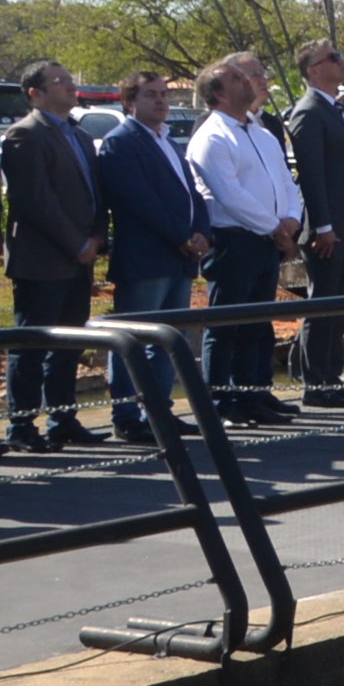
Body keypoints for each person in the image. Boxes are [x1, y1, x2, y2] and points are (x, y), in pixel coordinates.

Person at [184, 54, 302, 426]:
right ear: (218, 94)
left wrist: (292, 219)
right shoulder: (212, 137)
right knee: (226, 325)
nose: (247, 81)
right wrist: (275, 228)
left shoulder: (262, 133)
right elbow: (229, 195)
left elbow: (286, 181)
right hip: (234, 241)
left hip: (267, 239)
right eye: (236, 78)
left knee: (257, 323)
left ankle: (254, 394)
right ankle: (221, 401)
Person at [97, 69, 210, 444]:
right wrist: (181, 236)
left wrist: (202, 231)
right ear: (129, 102)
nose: (162, 100)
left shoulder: (168, 141)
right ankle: (127, 417)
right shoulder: (120, 143)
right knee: (132, 340)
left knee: (168, 341)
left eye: (164, 94)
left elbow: (192, 192)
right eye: (151, 94)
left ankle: (160, 413)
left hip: (180, 258)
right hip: (146, 259)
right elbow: (138, 200)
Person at [2, 59, 111, 449]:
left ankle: (63, 421)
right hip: (43, 261)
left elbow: (96, 194)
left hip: (80, 260)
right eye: (59, 81)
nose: (69, 85)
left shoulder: (79, 135)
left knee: (68, 347)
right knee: (31, 347)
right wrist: (76, 244)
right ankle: (22, 427)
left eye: (69, 79)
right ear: (35, 93)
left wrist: (97, 237)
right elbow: (36, 201)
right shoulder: (24, 135)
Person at [283, 38, 344, 407]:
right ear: (313, 70)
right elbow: (311, 175)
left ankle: (331, 377)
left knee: (338, 304)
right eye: (333, 57)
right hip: (326, 228)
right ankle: (315, 383)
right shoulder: (309, 112)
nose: (340, 61)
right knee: (323, 305)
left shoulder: (337, 109)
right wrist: (323, 226)